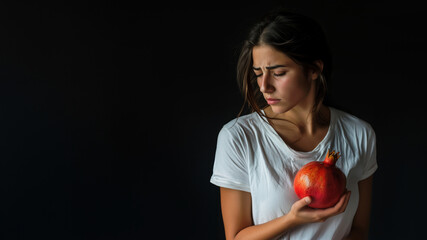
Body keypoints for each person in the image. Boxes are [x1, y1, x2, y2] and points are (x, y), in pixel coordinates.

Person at [210, 7, 377, 240]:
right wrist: (291, 220)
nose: (264, 86)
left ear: (314, 70)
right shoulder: (239, 137)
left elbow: (358, 232)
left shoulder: (358, 134)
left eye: (278, 72)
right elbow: (236, 237)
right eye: (258, 73)